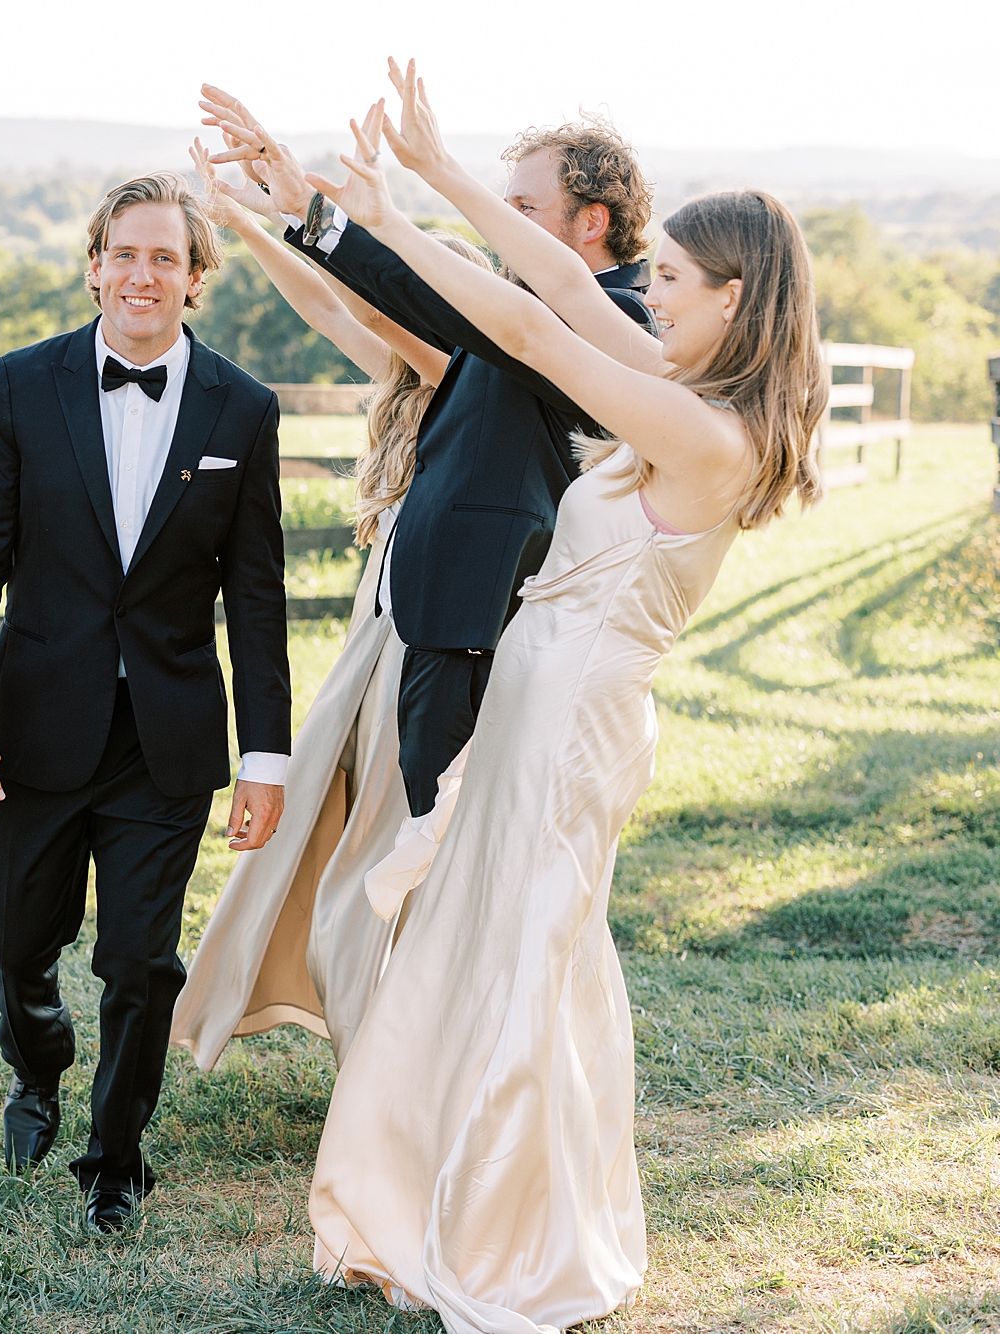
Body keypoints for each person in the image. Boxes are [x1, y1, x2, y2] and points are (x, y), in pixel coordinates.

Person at [275, 67, 827, 1331]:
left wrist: (409, 210)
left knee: (525, 964)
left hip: (569, 730)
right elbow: (567, 289)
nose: (654, 297)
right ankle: (433, 1189)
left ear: (731, 300)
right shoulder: (685, 392)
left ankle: (509, 1231)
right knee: (483, 948)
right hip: (533, 712)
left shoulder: (709, 437)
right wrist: (435, 176)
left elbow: (531, 328)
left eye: (674, 284)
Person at [0, 171, 291, 1234]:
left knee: (139, 955)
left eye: (164, 257)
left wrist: (264, 755)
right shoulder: (20, 384)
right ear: (93, 266)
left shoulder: (243, 406)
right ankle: (35, 1068)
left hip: (165, 737)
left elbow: (256, 596)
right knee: (13, 937)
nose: (142, 273)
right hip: (33, 722)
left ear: (193, 278)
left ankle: (114, 1153)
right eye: (123, 253)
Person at [200, 84, 657, 823]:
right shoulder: (525, 311)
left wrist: (333, 217)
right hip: (452, 626)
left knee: (449, 849)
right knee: (428, 852)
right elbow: (408, 307)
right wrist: (301, 212)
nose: (504, 228)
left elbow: (435, 308)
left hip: (494, 633)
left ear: (592, 222)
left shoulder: (618, 320)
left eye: (523, 210)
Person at [172, 137, 495, 1069]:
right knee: (324, 813)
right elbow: (325, 303)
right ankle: (347, 1021)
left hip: (420, 647)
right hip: (373, 635)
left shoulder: (457, 378)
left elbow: (364, 305)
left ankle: (387, 1047)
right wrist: (247, 224)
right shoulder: (404, 381)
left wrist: (306, 225)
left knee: (386, 843)